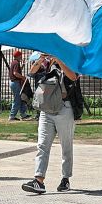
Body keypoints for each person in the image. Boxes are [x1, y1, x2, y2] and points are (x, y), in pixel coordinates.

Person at [21, 54, 81, 194]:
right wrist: (41, 59)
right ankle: (38, 180)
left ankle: (65, 178)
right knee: (42, 145)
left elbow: (73, 77)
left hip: (64, 109)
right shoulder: (46, 63)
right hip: (46, 109)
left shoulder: (70, 58)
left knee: (66, 146)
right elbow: (32, 72)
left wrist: (59, 58)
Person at [8, 49, 30, 121]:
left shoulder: (14, 62)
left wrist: (22, 65)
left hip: (14, 82)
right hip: (15, 82)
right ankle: (12, 116)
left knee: (20, 98)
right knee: (17, 99)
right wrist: (23, 78)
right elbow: (15, 73)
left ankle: (23, 114)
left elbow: (17, 71)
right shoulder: (16, 63)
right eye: (21, 55)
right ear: (18, 56)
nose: (21, 57)